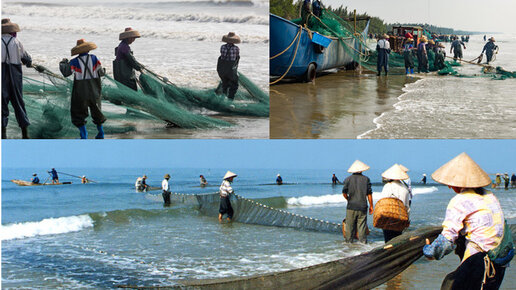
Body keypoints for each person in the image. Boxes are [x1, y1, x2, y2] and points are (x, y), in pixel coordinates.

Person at [423, 152, 509, 289]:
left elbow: (447, 240)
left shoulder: (460, 200)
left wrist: (430, 251)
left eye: (451, 183)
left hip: (479, 263)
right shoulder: (490, 196)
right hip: (499, 262)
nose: (450, 187)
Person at [60, 39, 106, 139]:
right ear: (88, 50)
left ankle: (84, 135)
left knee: (78, 112)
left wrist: (63, 63)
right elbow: (101, 73)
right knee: (97, 111)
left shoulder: (74, 61)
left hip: (81, 92)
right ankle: (101, 133)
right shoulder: (94, 58)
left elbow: (66, 73)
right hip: (95, 90)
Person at [2, 18, 32, 139]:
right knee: (19, 103)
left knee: (2, 104)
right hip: (15, 75)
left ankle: (3, 135)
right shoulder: (17, 42)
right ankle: (25, 134)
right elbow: (27, 59)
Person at [342, 160, 373, 243]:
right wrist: (371, 206)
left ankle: (349, 245)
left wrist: (349, 199)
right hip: (362, 206)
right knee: (362, 227)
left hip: (351, 206)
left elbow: (344, 193)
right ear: (361, 170)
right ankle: (363, 245)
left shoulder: (348, 179)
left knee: (349, 227)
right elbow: (369, 194)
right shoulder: (366, 179)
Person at [379, 164, 411, 242]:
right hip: (400, 217)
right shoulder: (405, 188)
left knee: (388, 240)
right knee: (397, 239)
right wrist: (407, 220)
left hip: (388, 217)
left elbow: (382, 202)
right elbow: (407, 207)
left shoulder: (387, 186)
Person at [216, 32, 240, 100]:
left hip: (221, 69)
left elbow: (222, 55)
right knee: (234, 85)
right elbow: (237, 57)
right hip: (230, 69)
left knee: (225, 84)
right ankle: (230, 100)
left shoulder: (222, 47)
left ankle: (223, 98)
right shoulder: (236, 48)